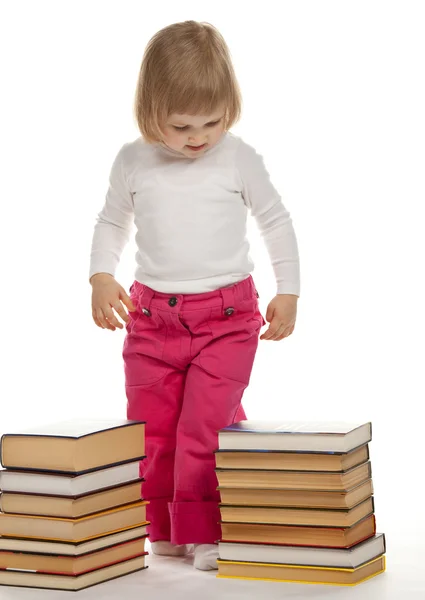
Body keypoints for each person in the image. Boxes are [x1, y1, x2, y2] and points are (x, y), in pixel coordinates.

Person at [89, 20, 300, 571]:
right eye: (181, 125)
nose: (198, 136)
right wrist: (100, 276)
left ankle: (206, 527)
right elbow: (112, 222)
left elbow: (275, 221)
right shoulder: (133, 161)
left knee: (203, 427)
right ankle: (165, 527)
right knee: (154, 428)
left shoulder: (237, 158)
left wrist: (289, 291)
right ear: (149, 111)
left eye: (213, 121)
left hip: (228, 318)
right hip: (152, 320)